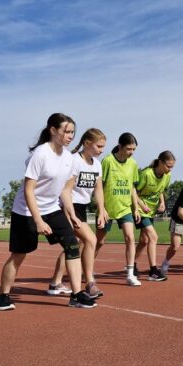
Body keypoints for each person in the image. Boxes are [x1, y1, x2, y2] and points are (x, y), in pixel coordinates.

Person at [0, 113, 96, 311]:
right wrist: (38, 220)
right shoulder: (40, 154)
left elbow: (64, 191)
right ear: (53, 130)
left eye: (73, 132)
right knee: (19, 254)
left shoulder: (68, 158)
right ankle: (2, 296)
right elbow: (28, 190)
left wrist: (72, 214)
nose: (70, 136)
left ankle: (76, 295)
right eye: (66, 131)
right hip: (26, 211)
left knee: (73, 246)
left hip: (52, 208)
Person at [47, 128, 108, 299]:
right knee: (91, 240)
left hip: (82, 207)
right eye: (99, 146)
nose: (101, 150)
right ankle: (90, 283)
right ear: (87, 143)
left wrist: (102, 209)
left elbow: (98, 189)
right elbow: (65, 189)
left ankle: (55, 282)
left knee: (74, 245)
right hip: (68, 206)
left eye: (103, 147)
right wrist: (70, 213)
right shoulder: (74, 161)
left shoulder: (96, 164)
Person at [95, 132, 142, 286]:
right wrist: (102, 209)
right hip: (107, 208)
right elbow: (99, 186)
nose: (132, 152)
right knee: (99, 242)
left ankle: (129, 273)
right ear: (120, 146)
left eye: (134, 149)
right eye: (129, 149)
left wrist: (135, 208)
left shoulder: (133, 164)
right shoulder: (107, 161)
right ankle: (86, 267)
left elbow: (133, 188)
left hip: (125, 208)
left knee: (130, 238)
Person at [134, 151, 176, 282]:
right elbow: (134, 192)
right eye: (168, 166)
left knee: (144, 241)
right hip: (140, 210)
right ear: (160, 162)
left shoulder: (167, 176)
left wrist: (162, 202)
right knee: (153, 237)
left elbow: (161, 190)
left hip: (151, 211)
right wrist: (141, 205)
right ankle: (153, 271)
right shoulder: (146, 174)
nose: (170, 169)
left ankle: (131, 264)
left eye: (172, 167)